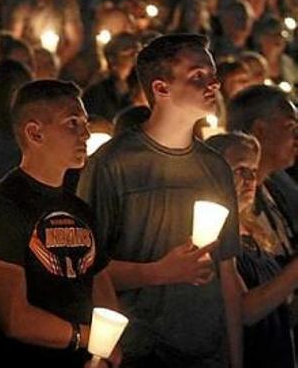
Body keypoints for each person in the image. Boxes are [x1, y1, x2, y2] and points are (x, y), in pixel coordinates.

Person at [78, 34, 243, 367]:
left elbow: (227, 272)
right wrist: (159, 272)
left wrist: (235, 358)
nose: (214, 83)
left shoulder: (215, 167)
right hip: (139, 351)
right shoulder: (112, 164)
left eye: (212, 74)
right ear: (161, 88)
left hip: (204, 351)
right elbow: (85, 270)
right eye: (198, 75)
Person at [0, 79, 121, 367]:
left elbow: (100, 283)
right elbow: (14, 317)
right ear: (35, 133)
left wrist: (107, 349)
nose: (86, 134)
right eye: (72, 123)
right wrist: (86, 337)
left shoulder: (79, 208)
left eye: (85, 123)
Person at [207, 133, 298, 368]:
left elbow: (278, 307)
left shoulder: (253, 232)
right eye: (239, 170)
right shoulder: (209, 235)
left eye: (254, 171)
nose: (250, 179)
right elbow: (245, 311)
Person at [226, 84, 298, 259]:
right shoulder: (233, 201)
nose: (297, 139)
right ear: (259, 130)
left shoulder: (277, 186)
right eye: (291, 128)